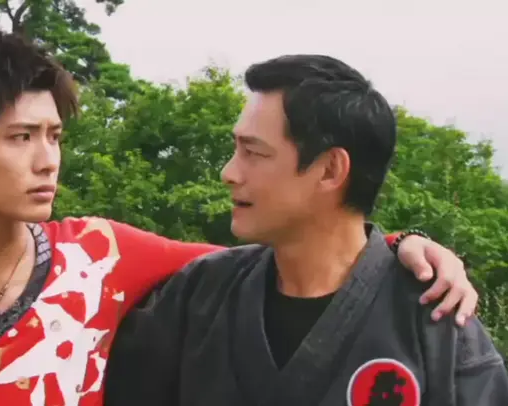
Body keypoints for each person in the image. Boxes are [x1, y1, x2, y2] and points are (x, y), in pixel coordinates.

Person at [0, 29, 476, 406]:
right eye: (21, 138)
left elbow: (304, 255)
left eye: (55, 136)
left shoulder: (98, 257)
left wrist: (403, 244)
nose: (48, 160)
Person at [103, 55, 508, 406]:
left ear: (330, 170)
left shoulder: (435, 320)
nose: (229, 173)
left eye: (253, 152)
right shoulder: (198, 295)